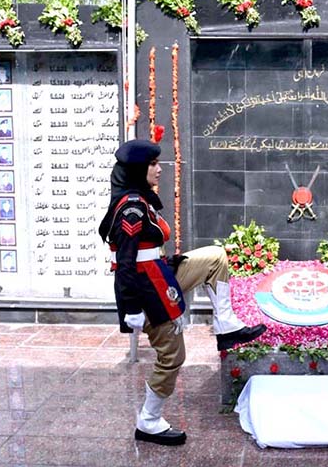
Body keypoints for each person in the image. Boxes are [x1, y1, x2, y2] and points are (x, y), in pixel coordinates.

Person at [98, 138, 267, 447]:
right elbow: (124, 263)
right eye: (152, 165)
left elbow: (145, 252)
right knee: (172, 356)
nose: (159, 170)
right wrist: (131, 309)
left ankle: (227, 325)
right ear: (137, 169)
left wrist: (169, 263)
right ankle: (148, 421)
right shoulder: (132, 209)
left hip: (160, 274)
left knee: (215, 258)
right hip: (148, 291)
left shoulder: (139, 199)